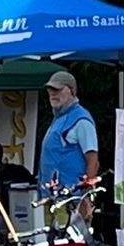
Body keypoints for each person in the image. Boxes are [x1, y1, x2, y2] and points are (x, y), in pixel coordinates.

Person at [37, 69, 100, 209]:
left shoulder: (81, 119)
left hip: (71, 199)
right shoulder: (60, 118)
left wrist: (86, 197)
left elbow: (93, 160)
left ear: (72, 91)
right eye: (50, 90)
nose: (53, 94)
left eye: (58, 89)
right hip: (53, 197)